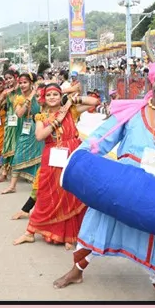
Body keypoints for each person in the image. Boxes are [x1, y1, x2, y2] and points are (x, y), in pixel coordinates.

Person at [55, 59, 155, 300]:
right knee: (97, 223)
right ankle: (77, 271)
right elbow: (100, 140)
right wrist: (79, 164)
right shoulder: (132, 113)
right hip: (120, 185)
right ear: (151, 82)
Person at [13, 82, 99, 245]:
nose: (52, 97)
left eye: (56, 94)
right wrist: (58, 119)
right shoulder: (41, 117)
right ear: (44, 98)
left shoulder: (71, 111)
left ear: (61, 97)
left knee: (70, 194)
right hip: (52, 157)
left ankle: (68, 234)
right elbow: (40, 136)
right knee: (46, 194)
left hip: (72, 157)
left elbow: (94, 102)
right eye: (49, 95)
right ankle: (30, 232)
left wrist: (72, 100)